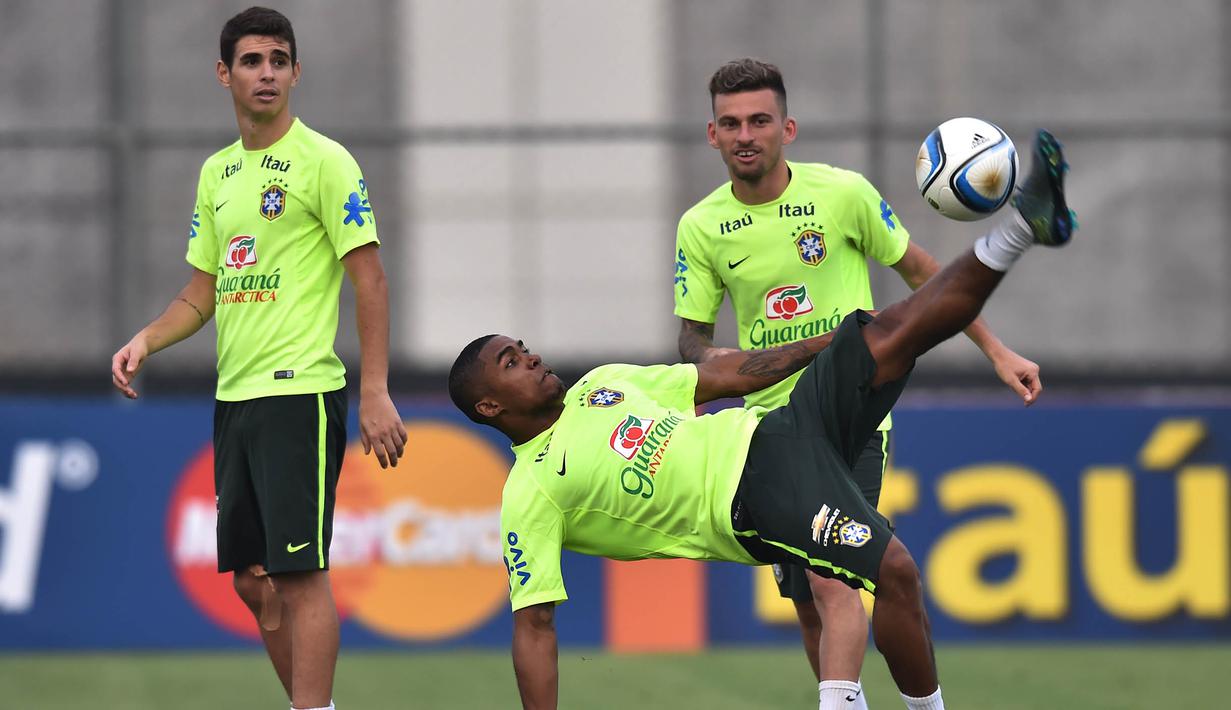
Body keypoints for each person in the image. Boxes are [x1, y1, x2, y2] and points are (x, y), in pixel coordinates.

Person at [448, 129, 1073, 710]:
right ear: (489, 406)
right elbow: (534, 628)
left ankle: (1021, 226)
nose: (528, 356)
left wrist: (831, 343)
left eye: (522, 346)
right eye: (510, 360)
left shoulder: (603, 386)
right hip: (754, 497)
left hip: (784, 427)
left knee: (894, 330)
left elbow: (727, 376)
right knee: (893, 574)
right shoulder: (530, 494)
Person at [673, 58, 1043, 707]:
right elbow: (690, 339)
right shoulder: (700, 226)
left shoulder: (841, 193)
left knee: (831, 579)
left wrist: (995, 349)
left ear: (785, 127)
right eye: (730, 123)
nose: (744, 134)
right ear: (712, 135)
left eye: (758, 120)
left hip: (851, 406)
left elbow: (923, 274)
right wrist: (713, 365)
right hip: (767, 428)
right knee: (810, 604)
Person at [109, 8, 407, 710]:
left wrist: (374, 390)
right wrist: (146, 339)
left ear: (296, 72)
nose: (265, 72)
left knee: (300, 577)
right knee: (251, 580)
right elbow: (201, 293)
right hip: (235, 398)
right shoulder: (216, 174)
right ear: (225, 74)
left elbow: (370, 278)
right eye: (251, 60)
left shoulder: (325, 162)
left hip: (298, 392)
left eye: (278, 59)